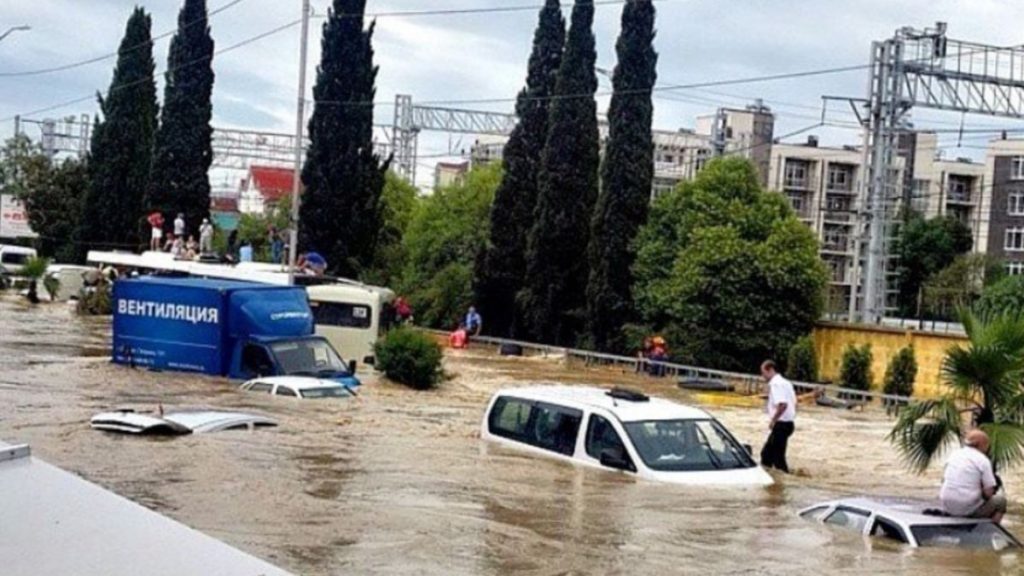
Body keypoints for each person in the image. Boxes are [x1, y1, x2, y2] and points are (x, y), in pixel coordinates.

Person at [940, 429, 1006, 524]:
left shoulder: (954, 455)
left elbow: (943, 480)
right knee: (1000, 501)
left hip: (947, 506)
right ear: (981, 444)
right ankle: (991, 531)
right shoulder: (983, 460)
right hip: (967, 510)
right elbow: (989, 493)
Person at [760, 360, 796, 473]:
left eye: (763, 373)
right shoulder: (786, 382)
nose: (763, 376)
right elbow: (793, 402)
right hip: (788, 423)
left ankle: (782, 484)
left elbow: (783, 405)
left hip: (781, 424)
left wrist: (773, 420)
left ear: (770, 370)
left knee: (777, 458)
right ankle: (771, 480)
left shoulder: (775, 384)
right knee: (767, 454)